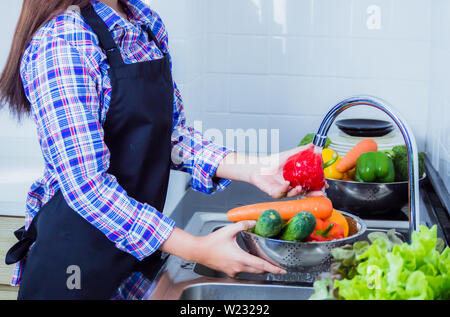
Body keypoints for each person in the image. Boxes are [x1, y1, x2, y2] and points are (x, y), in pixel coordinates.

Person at [0, 0, 321, 300]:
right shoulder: (62, 42)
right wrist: (197, 249)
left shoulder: (145, 23)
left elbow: (170, 136)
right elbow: (88, 187)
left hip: (137, 255)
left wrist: (254, 168)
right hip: (74, 270)